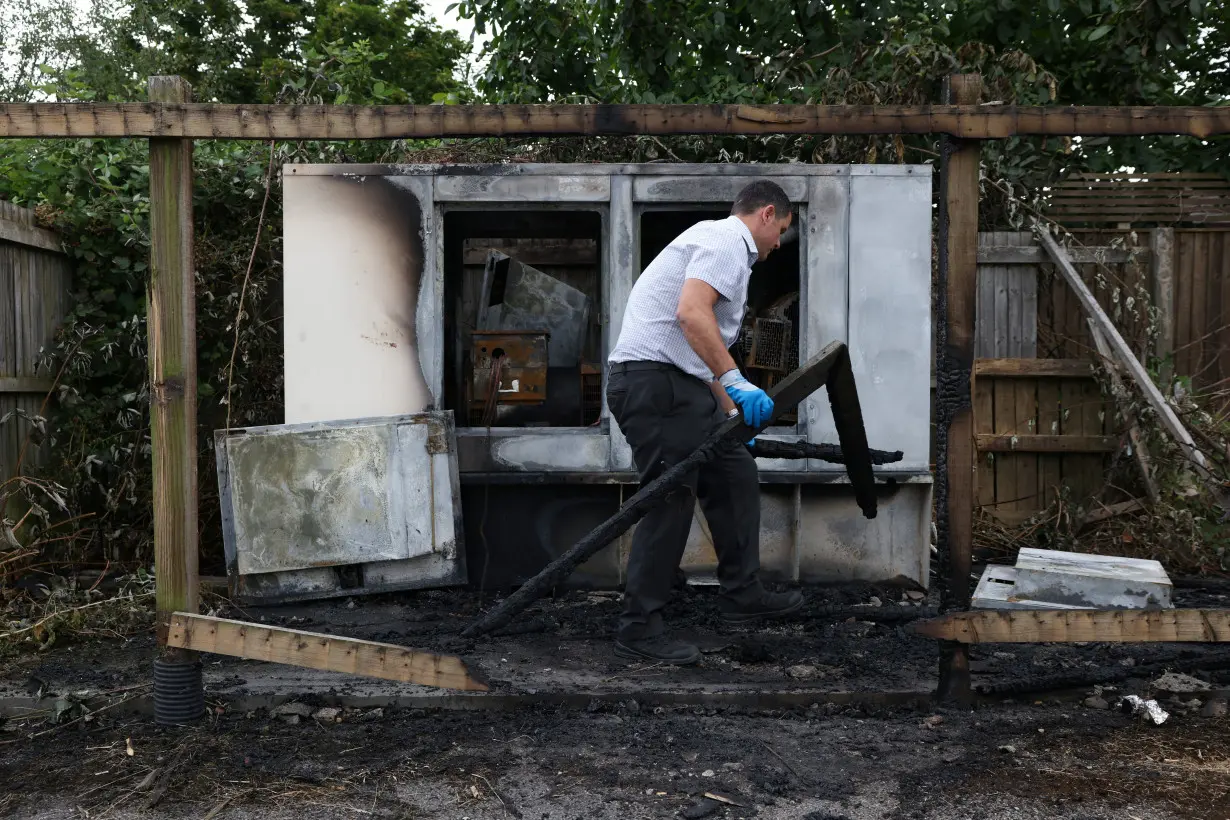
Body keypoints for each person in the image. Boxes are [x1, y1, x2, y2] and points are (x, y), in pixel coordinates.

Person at [606, 179, 804, 665]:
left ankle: (743, 592)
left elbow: (699, 350)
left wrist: (731, 410)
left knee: (734, 471)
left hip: (678, 385)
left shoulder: (717, 243)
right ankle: (639, 627)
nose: (778, 243)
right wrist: (735, 381)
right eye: (780, 230)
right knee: (669, 498)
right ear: (765, 214)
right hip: (656, 385)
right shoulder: (726, 243)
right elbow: (692, 316)